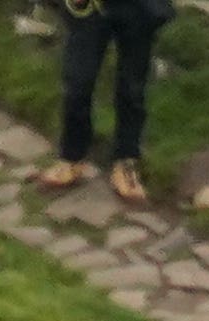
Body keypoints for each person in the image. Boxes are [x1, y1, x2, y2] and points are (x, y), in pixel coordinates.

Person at [39, 0, 177, 204]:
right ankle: (72, 156)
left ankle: (126, 160)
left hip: (137, 8)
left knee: (132, 89)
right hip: (90, 8)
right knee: (78, 83)